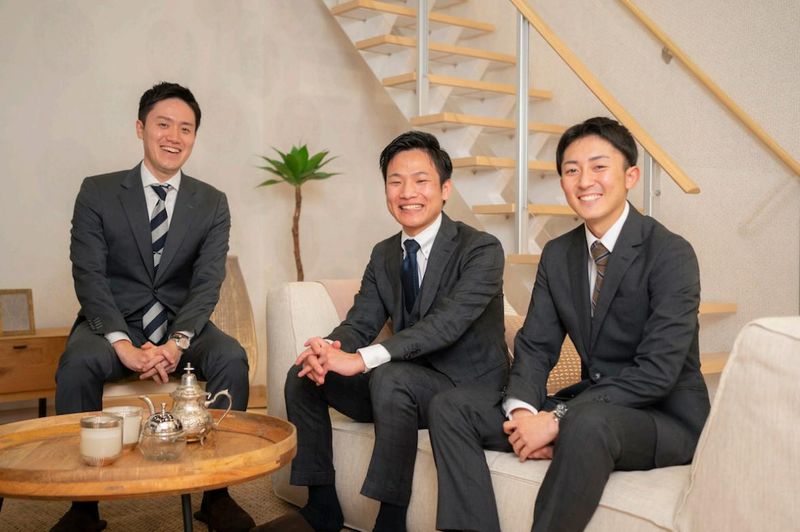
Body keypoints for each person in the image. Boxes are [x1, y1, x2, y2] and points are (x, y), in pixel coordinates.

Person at [428, 116, 710, 532]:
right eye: (572, 170)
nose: (584, 181)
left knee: (584, 422)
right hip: (591, 405)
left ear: (631, 176)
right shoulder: (559, 254)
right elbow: (536, 346)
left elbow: (657, 372)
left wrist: (556, 420)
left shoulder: (670, 253)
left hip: (663, 416)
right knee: (451, 406)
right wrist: (524, 413)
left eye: (599, 167)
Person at [254, 131, 509, 532]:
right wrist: (328, 349)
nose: (407, 192)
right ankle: (321, 509)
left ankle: (390, 520)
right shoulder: (385, 253)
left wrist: (361, 359)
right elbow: (361, 321)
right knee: (303, 374)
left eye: (421, 181)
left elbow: (446, 324)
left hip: (467, 392)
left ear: (445, 189)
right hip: (403, 388)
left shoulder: (481, 249)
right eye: (395, 181)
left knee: (391, 377)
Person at [53, 82, 253, 532]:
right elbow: (89, 274)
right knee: (78, 364)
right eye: (163, 124)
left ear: (194, 136)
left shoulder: (212, 202)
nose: (174, 137)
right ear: (141, 128)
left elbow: (207, 282)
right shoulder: (98, 192)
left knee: (231, 357)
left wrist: (177, 342)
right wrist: (123, 344)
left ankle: (218, 495)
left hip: (183, 325)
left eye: (186, 128)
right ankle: (82, 505)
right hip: (115, 324)